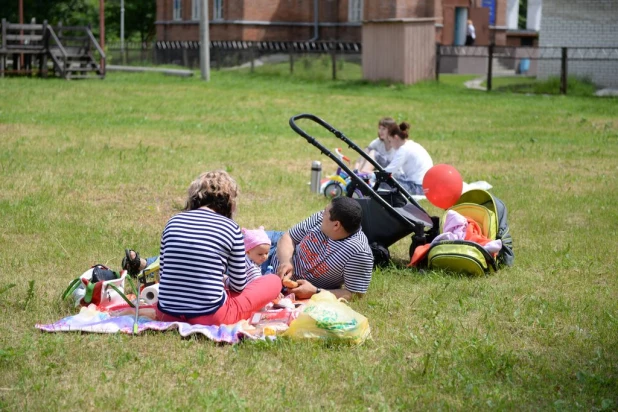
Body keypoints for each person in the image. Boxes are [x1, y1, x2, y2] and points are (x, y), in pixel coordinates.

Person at [151, 170, 281, 325]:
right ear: (229, 202)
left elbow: (163, 272)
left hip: (166, 313)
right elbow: (238, 285)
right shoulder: (231, 228)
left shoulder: (173, 222)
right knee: (273, 281)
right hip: (211, 316)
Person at [263, 197, 374, 301]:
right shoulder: (321, 219)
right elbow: (288, 237)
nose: (321, 213)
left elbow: (355, 294)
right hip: (274, 250)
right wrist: (286, 262)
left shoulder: (358, 252)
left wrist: (315, 292)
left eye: (325, 212)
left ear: (336, 225)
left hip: (277, 281)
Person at [382, 121, 433, 196]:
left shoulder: (403, 149)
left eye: (390, 141)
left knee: (383, 183)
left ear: (396, 138)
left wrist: (372, 176)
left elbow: (390, 171)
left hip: (418, 188)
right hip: (426, 187)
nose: (391, 144)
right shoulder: (412, 145)